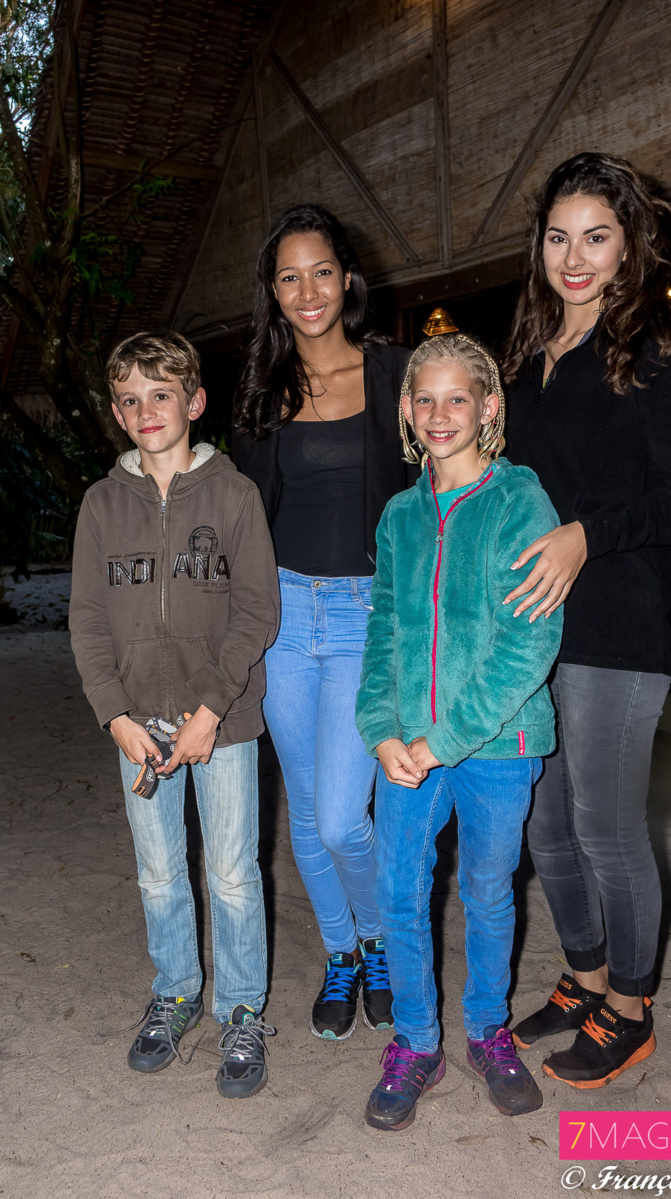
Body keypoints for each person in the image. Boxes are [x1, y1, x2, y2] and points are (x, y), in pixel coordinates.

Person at [502, 152, 671, 1088]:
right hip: (531, 630)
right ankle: (584, 976)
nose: (574, 256)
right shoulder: (527, 359)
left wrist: (586, 536)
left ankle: (630, 1005)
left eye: (596, 236)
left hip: (619, 627)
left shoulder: (656, 351)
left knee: (603, 826)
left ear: (628, 244)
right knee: (542, 826)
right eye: (558, 237)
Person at [355, 333, 563, 1131]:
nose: (440, 414)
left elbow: (528, 643)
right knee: (398, 890)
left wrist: (445, 738)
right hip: (404, 749)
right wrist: (381, 730)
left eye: (456, 398)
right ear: (406, 411)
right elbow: (381, 638)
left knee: (486, 888)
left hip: (499, 744)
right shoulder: (399, 515)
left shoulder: (519, 503)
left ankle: (485, 1029)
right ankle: (415, 1042)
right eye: (425, 399)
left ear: (488, 407)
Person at [69, 331, 280, 1099]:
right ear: (118, 414)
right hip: (137, 726)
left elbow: (257, 609)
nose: (145, 410)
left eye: (161, 394)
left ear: (193, 401)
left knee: (231, 873)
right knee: (159, 873)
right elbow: (87, 621)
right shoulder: (101, 505)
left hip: (220, 722)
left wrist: (211, 708)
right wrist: (114, 715)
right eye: (129, 399)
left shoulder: (233, 495)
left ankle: (242, 1008)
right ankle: (177, 989)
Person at [233, 205, 414, 1042]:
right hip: (280, 612)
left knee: (344, 815)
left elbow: (449, 469)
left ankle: (379, 937)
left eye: (320, 271)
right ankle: (343, 952)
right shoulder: (263, 390)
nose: (306, 291)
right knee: (304, 815)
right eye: (287, 276)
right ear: (272, 292)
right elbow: (242, 511)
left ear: (346, 277)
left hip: (361, 615)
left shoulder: (395, 374)